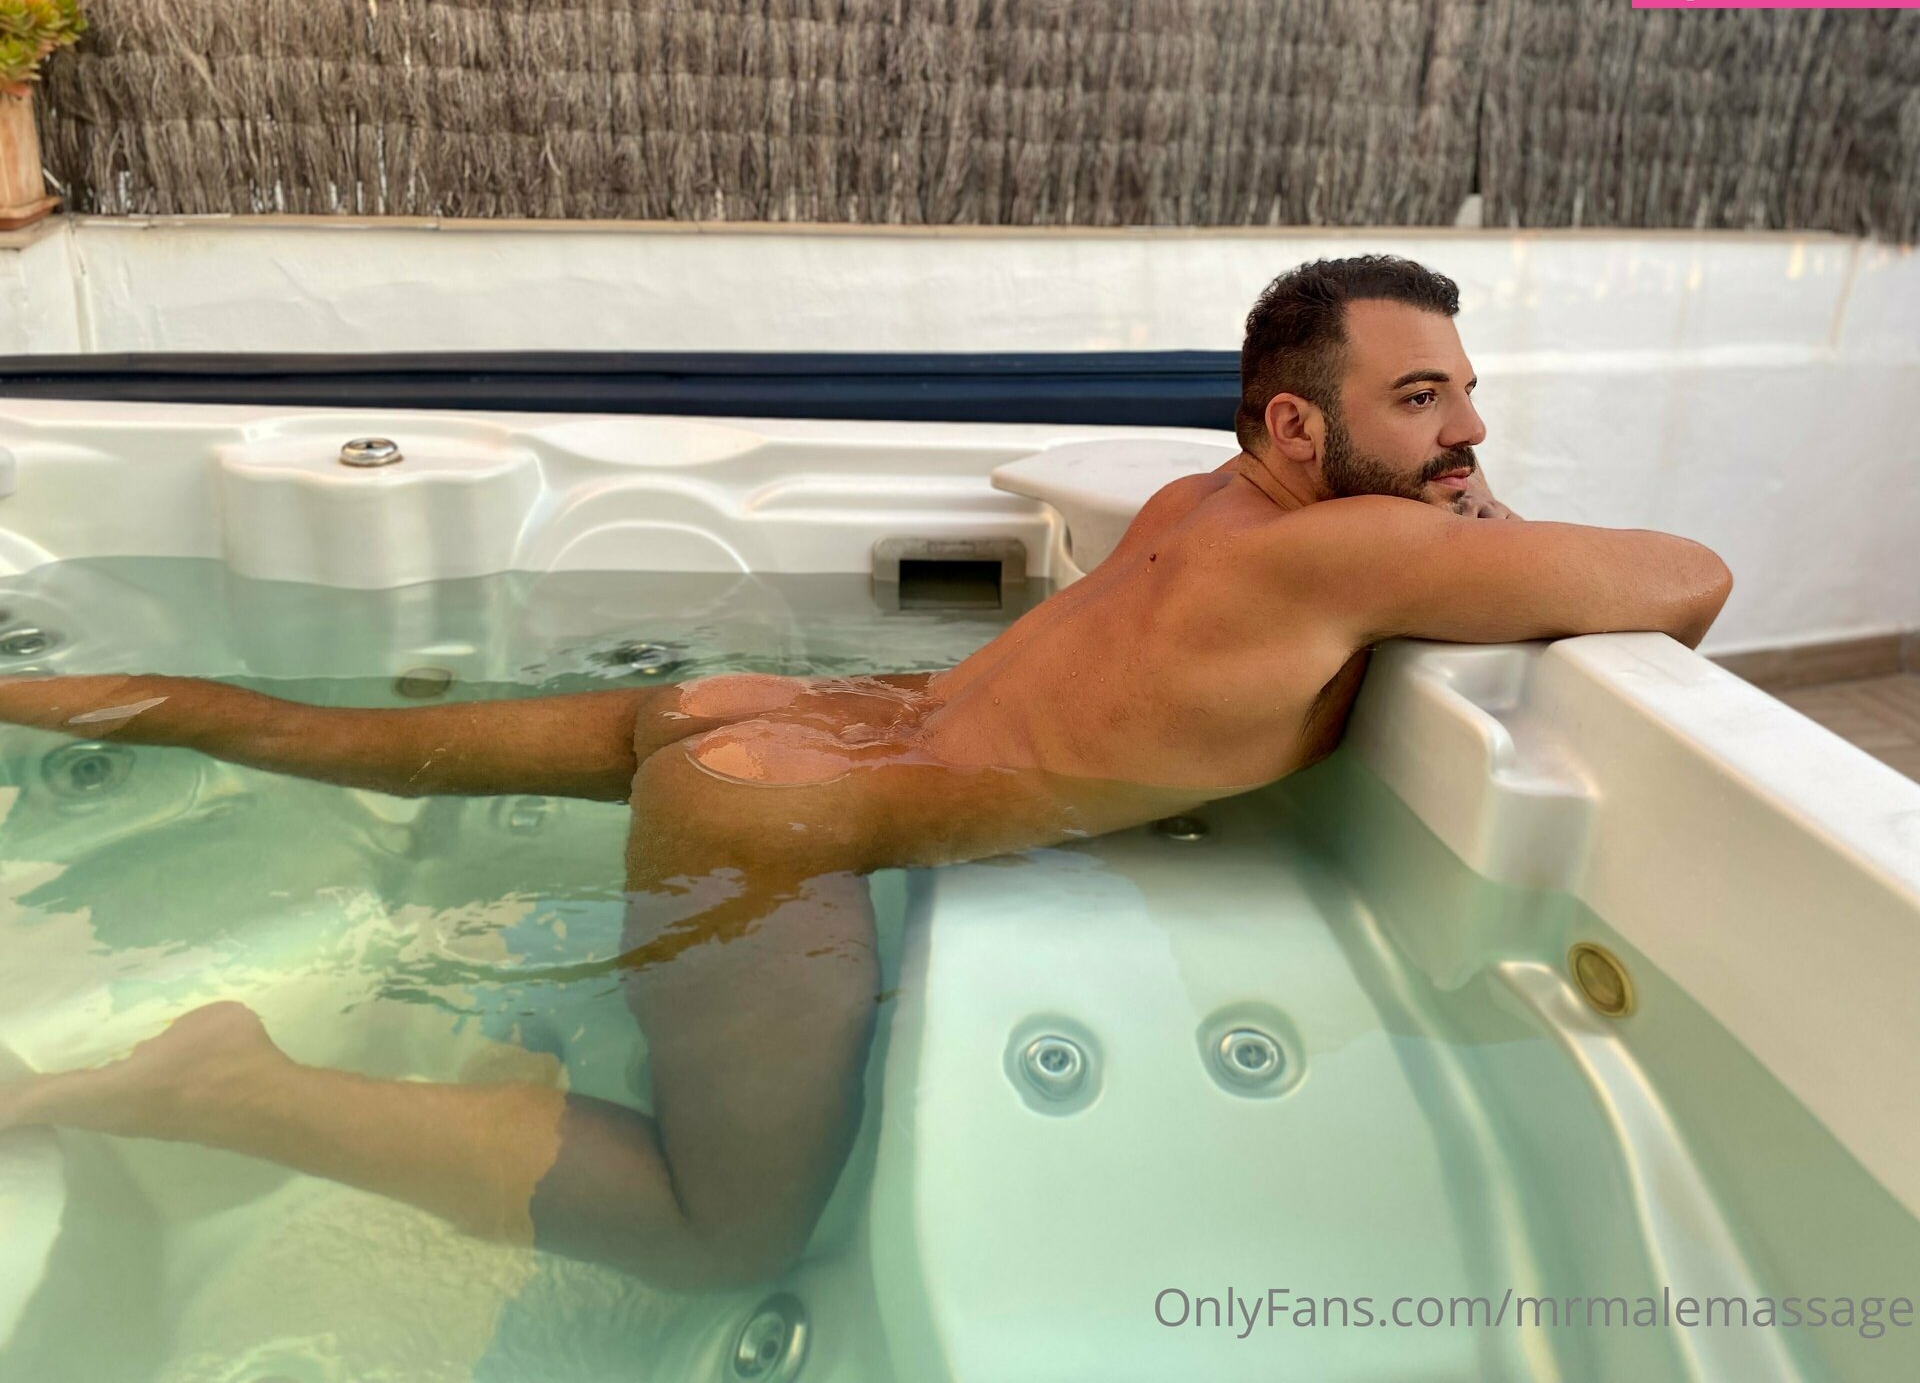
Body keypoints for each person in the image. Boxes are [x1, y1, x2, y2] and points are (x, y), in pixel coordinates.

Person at [0, 255, 1731, 1288]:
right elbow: (1686, 578)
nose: (1469, 433)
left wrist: (1440, 488)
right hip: (772, 812)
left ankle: (42, 694)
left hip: (762, 716)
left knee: (322, 734)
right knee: (723, 1238)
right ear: (1298, 425)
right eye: (1425, 401)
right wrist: (1470, 519)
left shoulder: (1199, 504)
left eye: (1466, 397)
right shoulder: (1349, 551)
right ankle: (232, 1088)